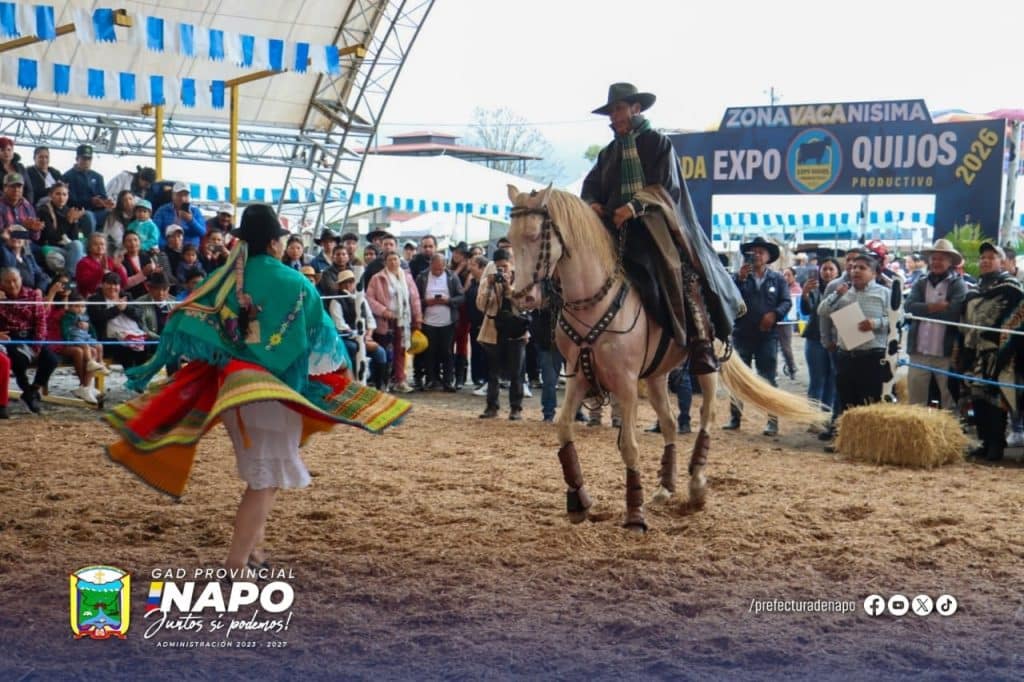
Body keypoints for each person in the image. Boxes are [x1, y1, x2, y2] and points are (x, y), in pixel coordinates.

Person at [104, 203, 410, 575]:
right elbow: (322, 342)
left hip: (234, 391)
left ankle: (253, 552)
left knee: (266, 476)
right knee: (265, 480)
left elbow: (190, 318)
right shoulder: (295, 282)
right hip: (273, 393)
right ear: (273, 242)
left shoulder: (225, 279)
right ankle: (236, 563)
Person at [580, 82, 743, 379]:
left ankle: (700, 342)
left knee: (682, 273)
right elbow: (590, 186)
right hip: (613, 231)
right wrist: (592, 204)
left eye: (618, 109)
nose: (613, 116)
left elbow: (666, 187)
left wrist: (633, 207)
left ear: (635, 108)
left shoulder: (658, 144)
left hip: (654, 228)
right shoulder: (608, 153)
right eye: (611, 111)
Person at [956, 242, 1024, 462]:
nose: (985, 261)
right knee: (977, 398)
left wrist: (1003, 350)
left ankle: (997, 445)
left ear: (1002, 262)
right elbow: (965, 321)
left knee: (996, 400)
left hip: (999, 354)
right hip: (975, 353)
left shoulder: (1011, 289)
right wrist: (964, 351)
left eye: (991, 257)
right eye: (983, 257)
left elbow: (1017, 320)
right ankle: (985, 442)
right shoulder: (974, 290)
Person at [817, 252, 890, 445]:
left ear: (873, 273)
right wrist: (836, 294)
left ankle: (867, 443)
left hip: (872, 355)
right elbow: (822, 311)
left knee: (869, 401)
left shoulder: (885, 294)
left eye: (862, 268)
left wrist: (875, 323)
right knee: (845, 400)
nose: (856, 270)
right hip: (846, 355)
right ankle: (845, 442)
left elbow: (900, 320)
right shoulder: (842, 293)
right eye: (853, 267)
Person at [725, 237, 790, 436]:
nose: (757, 255)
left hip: (767, 336)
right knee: (738, 379)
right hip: (742, 334)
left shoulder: (778, 279)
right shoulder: (738, 277)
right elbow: (730, 300)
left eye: (761, 252)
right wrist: (739, 280)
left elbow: (786, 302)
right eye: (754, 252)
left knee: (768, 378)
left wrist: (775, 314)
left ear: (769, 256)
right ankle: (735, 418)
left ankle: (772, 421)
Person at [904, 239, 966, 411]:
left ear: (950, 262)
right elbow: (908, 307)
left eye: (942, 258)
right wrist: (935, 306)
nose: (937, 262)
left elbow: (954, 312)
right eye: (934, 258)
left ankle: (949, 434)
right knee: (916, 399)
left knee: (949, 398)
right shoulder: (921, 282)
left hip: (945, 353)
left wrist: (923, 308)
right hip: (919, 350)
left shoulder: (958, 283)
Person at [475, 248, 528, 420]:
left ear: (511, 264)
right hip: (493, 329)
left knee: (516, 372)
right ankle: (492, 406)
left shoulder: (520, 279)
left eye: (504, 266)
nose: (502, 271)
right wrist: (489, 286)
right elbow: (481, 306)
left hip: (515, 330)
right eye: (498, 267)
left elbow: (524, 304)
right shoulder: (488, 280)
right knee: (493, 372)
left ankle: (516, 408)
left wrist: (508, 288)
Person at [0, 266, 58, 413]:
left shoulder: (33, 295)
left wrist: (37, 345)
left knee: (52, 360)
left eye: (15, 280)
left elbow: (41, 321)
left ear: (21, 279)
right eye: (7, 282)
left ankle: (32, 391)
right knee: (18, 361)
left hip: (32, 335)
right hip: (11, 336)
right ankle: (27, 390)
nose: (12, 285)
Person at [365, 251, 421, 393]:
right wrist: (384, 311)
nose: (393, 263)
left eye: (395, 259)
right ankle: (383, 381)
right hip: (385, 321)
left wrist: (417, 316)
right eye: (390, 260)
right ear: (385, 262)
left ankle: (400, 380)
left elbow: (414, 298)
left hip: (403, 320)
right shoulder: (377, 278)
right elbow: (369, 299)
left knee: (401, 351)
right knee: (384, 351)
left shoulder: (406, 277)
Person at [415, 253, 464, 391]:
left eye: (440, 269)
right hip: (428, 321)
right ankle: (431, 379)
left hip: (448, 322)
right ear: (430, 265)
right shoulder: (422, 277)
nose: (437, 272)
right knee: (429, 352)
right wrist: (426, 302)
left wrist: (448, 301)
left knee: (447, 352)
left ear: (445, 266)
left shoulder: (452, 277)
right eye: (435, 269)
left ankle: (448, 381)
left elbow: (461, 297)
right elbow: (415, 299)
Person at [801, 256, 840, 412]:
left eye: (831, 269)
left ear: (838, 272)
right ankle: (813, 415)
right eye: (824, 269)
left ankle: (826, 415)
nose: (828, 272)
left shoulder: (843, 289)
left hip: (835, 339)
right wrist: (805, 294)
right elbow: (807, 310)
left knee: (832, 379)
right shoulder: (814, 288)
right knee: (817, 379)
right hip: (815, 338)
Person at [60, 293, 110, 403]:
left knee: (98, 346)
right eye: (76, 306)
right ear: (69, 306)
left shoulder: (86, 316)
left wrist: (89, 328)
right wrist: (76, 324)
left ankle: (100, 364)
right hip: (75, 339)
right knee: (88, 348)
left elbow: (91, 328)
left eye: (82, 306)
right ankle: (90, 364)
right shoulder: (68, 316)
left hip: (86, 338)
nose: (80, 309)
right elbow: (65, 329)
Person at [37, 181, 88, 275]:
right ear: (51, 195)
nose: (61, 198)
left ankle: (68, 277)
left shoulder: (68, 210)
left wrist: (74, 221)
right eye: (58, 194)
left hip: (66, 247)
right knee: (77, 249)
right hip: (50, 246)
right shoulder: (44, 210)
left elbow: (74, 238)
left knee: (80, 248)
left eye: (64, 194)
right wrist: (68, 221)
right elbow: (50, 237)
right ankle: (70, 277)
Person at [62, 144, 111, 233]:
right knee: (88, 216)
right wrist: (90, 201)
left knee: (114, 213)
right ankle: (91, 241)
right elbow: (70, 200)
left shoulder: (98, 177)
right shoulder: (67, 176)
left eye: (89, 159)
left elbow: (103, 196)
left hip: (98, 211)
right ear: (77, 159)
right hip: (80, 212)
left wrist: (104, 202)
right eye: (84, 158)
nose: (87, 161)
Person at [75, 233, 128, 298]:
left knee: (127, 297)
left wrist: (119, 267)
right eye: (95, 244)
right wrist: (101, 270)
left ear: (106, 247)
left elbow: (123, 284)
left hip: (112, 295)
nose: (100, 247)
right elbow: (86, 285)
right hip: (92, 297)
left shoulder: (110, 261)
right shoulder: (83, 263)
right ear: (89, 247)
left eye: (102, 244)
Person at [154, 182, 205, 248]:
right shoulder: (162, 210)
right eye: (179, 195)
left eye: (186, 195)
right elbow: (155, 231)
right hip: (168, 249)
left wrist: (191, 220)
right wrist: (166, 245)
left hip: (190, 251)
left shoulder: (195, 211)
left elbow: (202, 233)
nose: (182, 198)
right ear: (173, 195)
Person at [777, 266, 802, 380]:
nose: (786, 277)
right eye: (784, 275)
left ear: (794, 276)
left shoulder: (796, 289)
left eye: (789, 275)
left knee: (785, 347)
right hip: (776, 320)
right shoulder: (780, 286)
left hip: (785, 322)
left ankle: (792, 368)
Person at [99, 190, 135, 255]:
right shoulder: (114, 217)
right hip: (116, 249)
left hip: (135, 246)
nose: (128, 202)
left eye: (130, 199)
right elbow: (118, 240)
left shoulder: (139, 214)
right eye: (125, 200)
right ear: (120, 203)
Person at [0, 137, 32, 205]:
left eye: (9, 150)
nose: (6, 152)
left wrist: (28, 203)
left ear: (13, 152)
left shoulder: (20, 167)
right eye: (2, 150)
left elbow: (28, 189)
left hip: (22, 205)